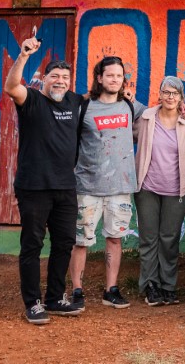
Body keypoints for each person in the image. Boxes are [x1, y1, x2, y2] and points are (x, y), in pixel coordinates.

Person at [2, 33, 82, 324]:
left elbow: (103, 98)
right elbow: (11, 86)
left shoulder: (74, 101)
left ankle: (56, 298)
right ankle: (33, 303)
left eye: (65, 77)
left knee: (64, 242)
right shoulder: (32, 98)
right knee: (33, 244)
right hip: (34, 186)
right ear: (43, 78)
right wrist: (23, 55)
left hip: (65, 186)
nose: (60, 81)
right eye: (55, 76)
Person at [69, 56, 144, 311]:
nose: (115, 80)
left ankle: (110, 290)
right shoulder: (84, 107)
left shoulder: (130, 106)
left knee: (115, 239)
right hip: (87, 186)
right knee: (81, 241)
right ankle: (76, 290)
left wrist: (183, 110)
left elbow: (158, 116)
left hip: (121, 187)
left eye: (119, 76)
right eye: (110, 75)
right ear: (99, 78)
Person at [134, 75, 185, 306]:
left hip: (177, 189)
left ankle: (168, 285)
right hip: (147, 187)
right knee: (149, 238)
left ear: (181, 98)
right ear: (159, 94)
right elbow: (123, 132)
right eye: (166, 92)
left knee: (169, 239)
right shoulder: (147, 117)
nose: (170, 97)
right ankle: (150, 284)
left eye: (175, 93)